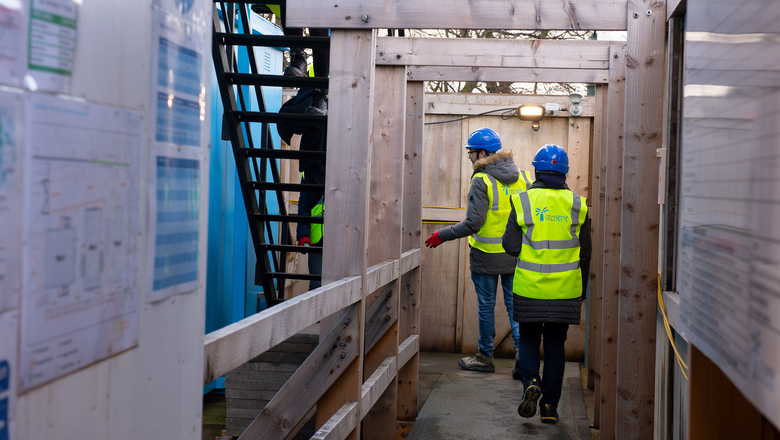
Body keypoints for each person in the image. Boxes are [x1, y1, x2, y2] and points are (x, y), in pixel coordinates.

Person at [424, 128, 533, 377]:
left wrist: (442, 235)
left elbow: (473, 223)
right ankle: (523, 357)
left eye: (471, 152)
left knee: (486, 306)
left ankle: (484, 357)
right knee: (516, 306)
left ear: (482, 153)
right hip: (516, 255)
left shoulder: (481, 180)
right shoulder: (524, 178)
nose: (469, 157)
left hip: (485, 255)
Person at [501, 144, 592, 424]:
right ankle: (550, 408)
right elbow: (585, 253)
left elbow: (511, 246)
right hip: (565, 290)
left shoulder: (523, 201)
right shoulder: (578, 205)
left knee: (529, 338)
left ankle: (531, 382)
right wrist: (581, 291)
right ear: (565, 173)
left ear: (536, 171)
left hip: (529, 288)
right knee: (555, 347)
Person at [277, 88, 327, 289]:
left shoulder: (342, 179)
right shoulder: (311, 178)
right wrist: (303, 235)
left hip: (339, 241)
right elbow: (304, 207)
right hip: (317, 242)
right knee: (316, 284)